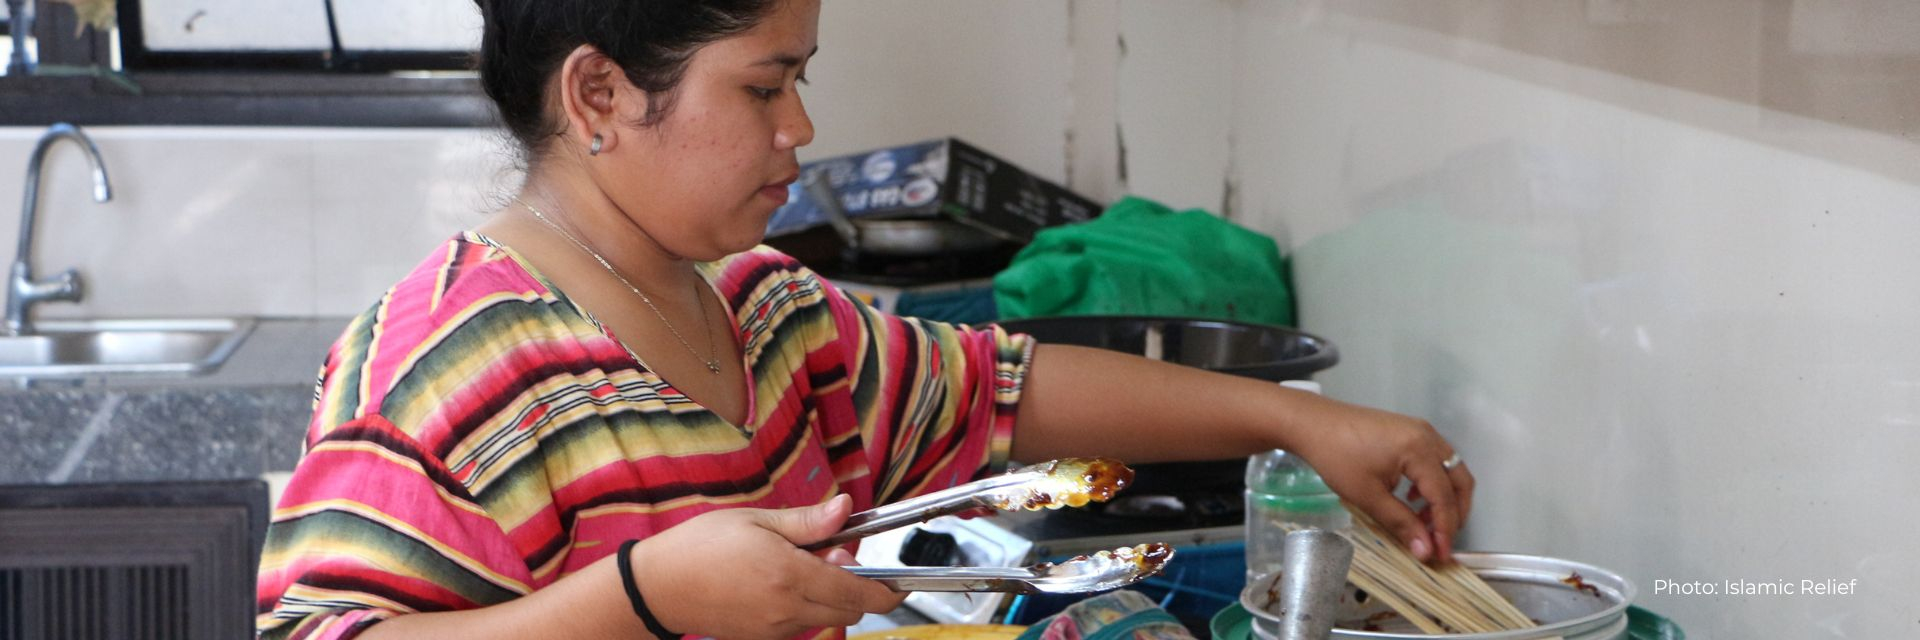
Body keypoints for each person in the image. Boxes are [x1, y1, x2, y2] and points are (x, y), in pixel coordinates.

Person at [254, 1, 1475, 639]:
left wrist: (1300, 424)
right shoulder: (439, 362)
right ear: (600, 93)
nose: (801, 128)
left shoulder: (768, 312)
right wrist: (643, 597)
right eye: (765, 83)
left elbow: (1010, 392)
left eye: (803, 75)